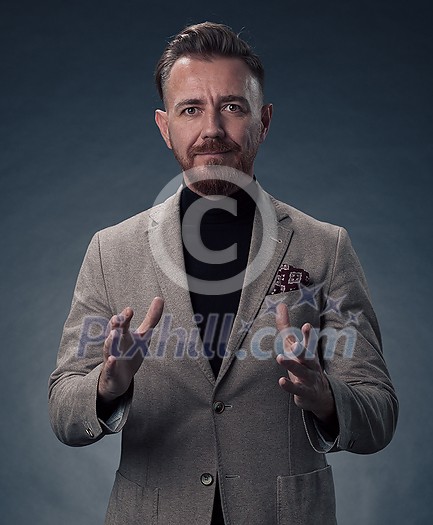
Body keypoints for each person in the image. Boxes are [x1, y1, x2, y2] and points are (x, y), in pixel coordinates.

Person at [49, 22, 398, 525]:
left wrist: (327, 399)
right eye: (191, 109)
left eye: (232, 107)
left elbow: (379, 414)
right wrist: (108, 384)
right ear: (165, 125)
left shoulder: (325, 247)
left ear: (265, 120)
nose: (212, 127)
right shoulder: (111, 251)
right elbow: (63, 409)